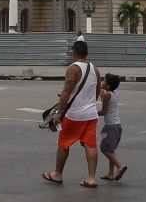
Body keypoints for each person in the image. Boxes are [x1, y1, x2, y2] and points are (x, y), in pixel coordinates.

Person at [42, 40, 101, 188]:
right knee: (91, 145)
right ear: (86, 53)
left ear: (74, 52)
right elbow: (97, 91)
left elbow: (66, 92)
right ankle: (92, 178)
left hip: (75, 114)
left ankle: (57, 174)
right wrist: (89, 103)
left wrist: (59, 113)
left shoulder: (73, 69)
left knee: (64, 143)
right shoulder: (95, 68)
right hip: (91, 114)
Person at [99, 73, 127, 182]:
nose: (102, 82)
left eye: (104, 81)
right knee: (110, 149)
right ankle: (110, 173)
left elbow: (103, 112)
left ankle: (119, 167)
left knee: (104, 148)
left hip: (110, 127)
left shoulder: (106, 95)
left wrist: (91, 113)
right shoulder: (114, 93)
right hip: (117, 126)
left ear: (108, 86)